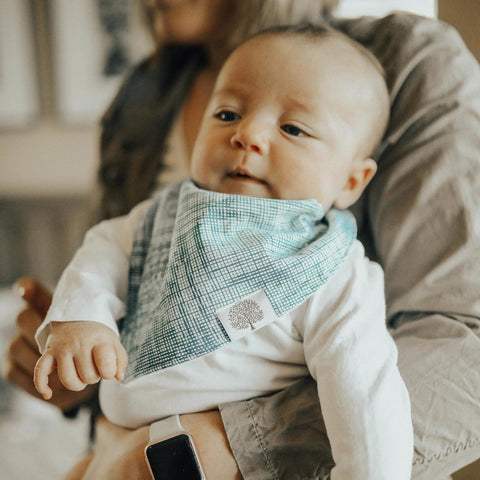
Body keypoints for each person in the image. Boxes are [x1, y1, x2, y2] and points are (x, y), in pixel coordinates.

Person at [5, 1, 480, 479]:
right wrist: (81, 328)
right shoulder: (151, 147)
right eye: (227, 113)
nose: (248, 134)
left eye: (293, 129)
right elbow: (105, 250)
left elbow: (366, 394)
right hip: (109, 450)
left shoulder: (329, 268)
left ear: (352, 183)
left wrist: (198, 455)